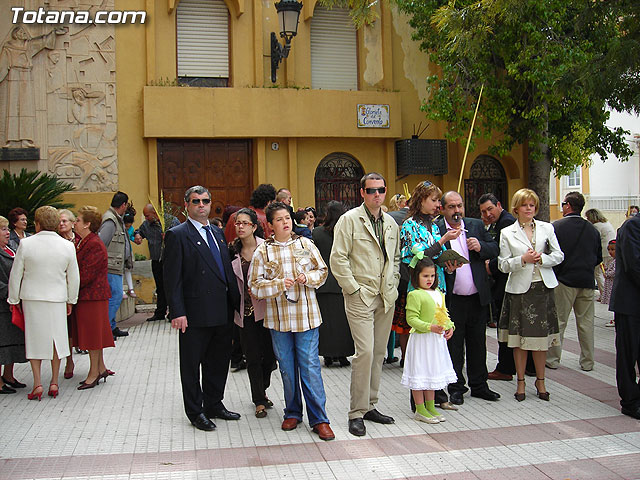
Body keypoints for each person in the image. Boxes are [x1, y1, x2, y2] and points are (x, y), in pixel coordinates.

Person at [249, 202, 334, 441]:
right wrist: (278, 285)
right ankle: (293, 412)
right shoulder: (263, 251)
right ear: (270, 225)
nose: (285, 222)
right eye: (279, 219)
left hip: (306, 318)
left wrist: (307, 277)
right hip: (278, 321)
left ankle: (319, 419)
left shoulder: (305, 244)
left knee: (310, 367)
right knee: (287, 369)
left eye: (287, 218)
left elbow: (323, 271)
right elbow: (254, 286)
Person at [163, 186, 241, 431]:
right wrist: (177, 312)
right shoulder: (178, 235)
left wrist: (236, 303)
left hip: (221, 309)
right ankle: (195, 411)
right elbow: (171, 278)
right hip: (194, 313)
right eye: (195, 201)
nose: (201, 205)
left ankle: (214, 403)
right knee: (191, 364)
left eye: (205, 201)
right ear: (186, 205)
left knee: (218, 362)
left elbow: (225, 270)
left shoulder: (217, 233)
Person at [330, 172, 401, 437]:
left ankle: (371, 404)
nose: (377, 195)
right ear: (362, 193)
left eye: (381, 190)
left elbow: (395, 258)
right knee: (365, 353)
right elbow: (338, 259)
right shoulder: (349, 220)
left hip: (386, 296)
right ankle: (356, 412)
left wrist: (392, 283)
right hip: (361, 295)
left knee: (380, 353)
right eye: (371, 190)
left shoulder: (391, 223)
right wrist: (354, 289)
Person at [498, 188, 564, 402]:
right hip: (519, 291)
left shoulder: (547, 228)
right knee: (519, 340)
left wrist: (542, 258)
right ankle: (520, 382)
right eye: (525, 205)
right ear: (516, 208)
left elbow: (559, 255)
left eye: (532, 205)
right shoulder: (507, 232)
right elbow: (502, 265)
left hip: (542, 289)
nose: (529, 208)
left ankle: (541, 380)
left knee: (541, 340)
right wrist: (523, 259)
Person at [7, 206, 79, 400]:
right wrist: (71, 300)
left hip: (32, 298)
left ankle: (37, 383)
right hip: (57, 298)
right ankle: (54, 381)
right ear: (56, 223)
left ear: (37, 223)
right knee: (56, 339)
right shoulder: (67, 246)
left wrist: (13, 299)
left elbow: (16, 274)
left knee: (34, 339)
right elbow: (74, 277)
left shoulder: (26, 244)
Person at [436, 191, 500, 405]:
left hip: (476, 297)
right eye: (452, 207)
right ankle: (456, 387)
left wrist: (481, 247)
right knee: (454, 345)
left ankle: (480, 385)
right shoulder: (437, 229)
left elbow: (494, 248)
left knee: (478, 343)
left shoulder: (474, 225)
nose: (457, 211)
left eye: (459, 206)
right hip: (453, 299)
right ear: (443, 209)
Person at [228, 208, 276, 418]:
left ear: (254, 227)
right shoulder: (231, 250)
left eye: (245, 223)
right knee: (253, 357)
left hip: (267, 311)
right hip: (243, 313)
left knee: (270, 359)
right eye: (238, 223)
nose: (240, 227)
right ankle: (259, 399)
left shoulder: (266, 248)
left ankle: (262, 387)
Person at [547, 192, 602, 372]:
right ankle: (588, 361)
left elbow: (551, 254)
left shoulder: (557, 227)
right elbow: (598, 257)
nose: (562, 207)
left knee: (559, 321)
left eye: (563, 203)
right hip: (586, 280)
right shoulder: (593, 230)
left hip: (564, 281)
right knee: (586, 324)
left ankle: (553, 359)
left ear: (568, 205)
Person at [401, 255, 457, 424]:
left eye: (432, 276)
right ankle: (420, 408)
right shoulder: (415, 295)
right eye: (425, 276)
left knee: (431, 373)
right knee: (420, 373)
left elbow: (444, 314)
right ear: (416, 276)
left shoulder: (439, 293)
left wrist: (450, 327)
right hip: (421, 341)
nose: (429, 279)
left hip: (435, 342)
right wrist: (429, 327)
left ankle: (431, 406)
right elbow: (411, 319)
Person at [478, 193, 523, 382]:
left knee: (506, 327)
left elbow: (505, 253)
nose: (487, 214)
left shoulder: (506, 223)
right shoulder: (500, 222)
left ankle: (505, 367)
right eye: (483, 212)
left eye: (490, 209)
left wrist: (491, 265)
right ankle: (519, 365)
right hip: (508, 281)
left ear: (499, 205)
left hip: (508, 282)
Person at [71, 206, 116, 390]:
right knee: (93, 334)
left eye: (78, 220)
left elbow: (86, 274)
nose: (75, 222)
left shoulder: (94, 244)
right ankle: (100, 368)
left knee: (93, 336)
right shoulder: (84, 241)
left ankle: (93, 373)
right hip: (88, 296)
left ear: (87, 224)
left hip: (93, 297)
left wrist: (68, 283)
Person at [313, 201, 354, 368]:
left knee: (326, 323)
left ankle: (328, 355)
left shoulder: (316, 233)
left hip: (323, 283)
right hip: (343, 281)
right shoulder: (347, 232)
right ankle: (343, 354)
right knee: (344, 322)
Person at [609, 212, 640, 419]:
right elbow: (633, 265)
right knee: (628, 353)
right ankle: (630, 401)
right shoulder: (632, 226)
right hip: (630, 302)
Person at [134, 204, 180, 321]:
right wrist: (137, 235)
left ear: (155, 213)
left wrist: (169, 237)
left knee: (172, 286)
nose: (146, 218)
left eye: (147, 215)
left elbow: (181, 236)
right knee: (160, 287)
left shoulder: (171, 221)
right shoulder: (146, 225)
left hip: (170, 260)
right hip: (156, 260)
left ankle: (173, 312)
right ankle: (160, 312)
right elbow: (138, 231)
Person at [98, 191, 131, 339]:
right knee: (116, 295)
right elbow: (102, 243)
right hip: (111, 266)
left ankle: (111, 326)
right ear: (123, 205)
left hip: (116, 264)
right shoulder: (110, 220)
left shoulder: (116, 219)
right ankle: (106, 328)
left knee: (115, 296)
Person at [0, 215, 27, 394]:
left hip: (12, 304)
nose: (7, 232)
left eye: (7, 229)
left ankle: (8, 375)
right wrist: (10, 291)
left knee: (12, 343)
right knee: (1, 344)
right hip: (2, 303)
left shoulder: (9, 249)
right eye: (3, 229)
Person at [584, 208, 616, 297]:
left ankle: (603, 294)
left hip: (603, 251)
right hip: (611, 250)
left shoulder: (596, 226)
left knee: (598, 273)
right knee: (608, 272)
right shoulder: (606, 223)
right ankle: (609, 293)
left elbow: (593, 239)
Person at [122, 206, 137, 299]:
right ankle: (121, 289)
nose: (128, 227)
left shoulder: (131, 229)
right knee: (120, 270)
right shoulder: (120, 228)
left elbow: (131, 237)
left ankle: (131, 288)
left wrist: (136, 239)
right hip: (120, 251)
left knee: (128, 269)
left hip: (128, 251)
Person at [601, 240, 616, 327]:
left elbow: (614, 272)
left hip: (613, 285)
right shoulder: (612, 260)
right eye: (609, 250)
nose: (610, 252)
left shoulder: (618, 261)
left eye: (613, 250)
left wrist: (606, 274)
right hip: (609, 284)